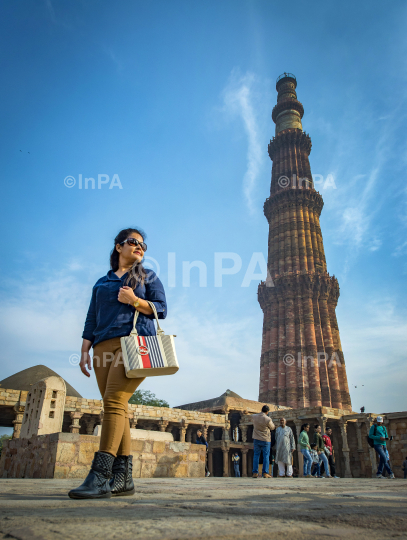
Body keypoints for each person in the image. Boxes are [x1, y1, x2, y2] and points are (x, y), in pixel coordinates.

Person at [69, 228, 167, 499]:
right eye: (134, 242)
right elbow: (92, 317)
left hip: (135, 344)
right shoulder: (101, 282)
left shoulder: (148, 276)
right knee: (117, 407)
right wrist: (85, 349)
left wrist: (135, 300)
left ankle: (100, 477)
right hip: (102, 346)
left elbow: (162, 309)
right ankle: (123, 480)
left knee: (113, 402)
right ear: (118, 246)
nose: (140, 247)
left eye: (143, 245)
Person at [251, 405, 275, 478]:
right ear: (267, 411)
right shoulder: (267, 419)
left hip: (256, 438)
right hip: (265, 440)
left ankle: (255, 472)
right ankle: (265, 473)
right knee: (266, 456)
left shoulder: (254, 416)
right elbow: (272, 427)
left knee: (256, 455)